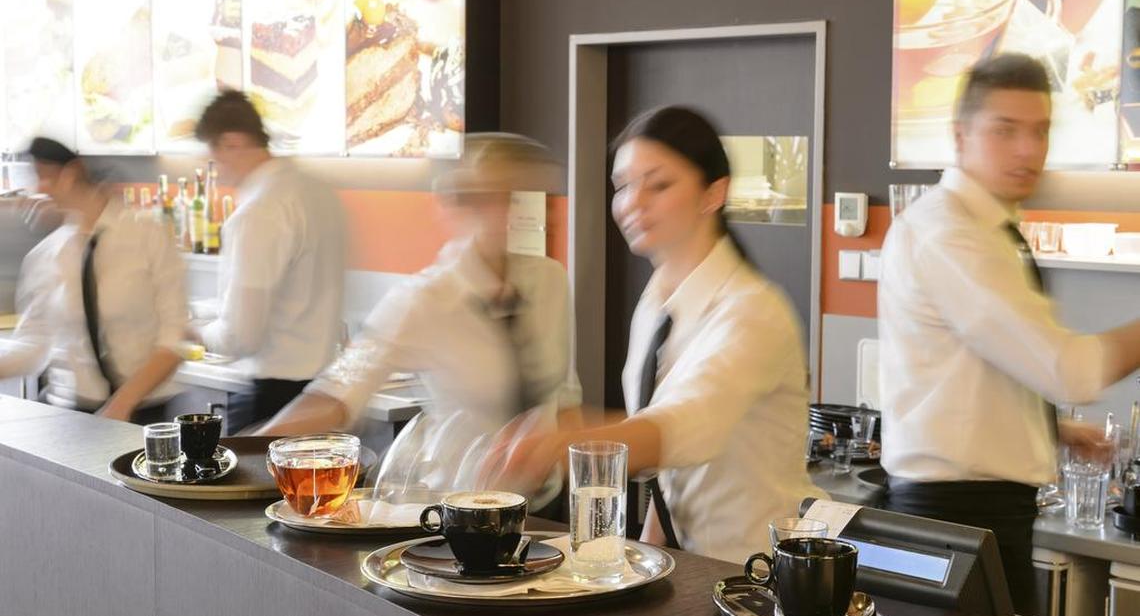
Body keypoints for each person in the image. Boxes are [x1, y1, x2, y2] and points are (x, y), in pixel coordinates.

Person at [487, 107, 825, 564]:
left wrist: (563, 441)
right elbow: (669, 470)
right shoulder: (656, 302)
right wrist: (645, 558)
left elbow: (684, 427)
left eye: (658, 184)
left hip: (758, 572)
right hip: (691, 568)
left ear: (713, 193)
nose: (632, 202)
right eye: (623, 185)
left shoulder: (752, 312)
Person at [878, 53, 1140, 615]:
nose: (1028, 149)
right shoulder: (951, 235)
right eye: (1005, 130)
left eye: (1040, 130)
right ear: (959, 136)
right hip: (956, 521)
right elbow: (1070, 368)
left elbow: (976, 365)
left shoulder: (990, 231)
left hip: (982, 517)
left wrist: (1051, 426)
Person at [256, 133, 581, 438]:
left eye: (521, 196)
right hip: (459, 492)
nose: (507, 211)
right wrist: (240, 457)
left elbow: (564, 402)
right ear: (454, 205)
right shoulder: (421, 300)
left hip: (544, 495)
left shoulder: (551, 281)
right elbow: (336, 394)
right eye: (491, 197)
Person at [191, 91, 348, 433]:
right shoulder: (318, 192)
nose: (212, 169)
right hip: (320, 395)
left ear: (232, 143)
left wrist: (192, 331)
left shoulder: (259, 211)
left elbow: (241, 336)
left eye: (212, 157)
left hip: (271, 398)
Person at [0, 138, 186, 422]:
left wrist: (121, 405)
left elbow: (173, 340)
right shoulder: (47, 256)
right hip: (78, 414)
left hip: (145, 413)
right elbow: (35, 344)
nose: (37, 189)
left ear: (72, 173)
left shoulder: (149, 234)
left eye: (44, 177)